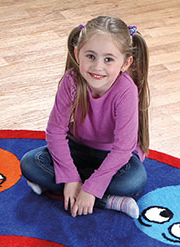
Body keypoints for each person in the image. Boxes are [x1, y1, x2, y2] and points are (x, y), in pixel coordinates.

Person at [20, 16, 150, 219]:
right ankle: (106, 199)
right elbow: (55, 132)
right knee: (31, 163)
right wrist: (71, 177)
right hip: (77, 150)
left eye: (108, 59)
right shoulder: (71, 82)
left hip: (113, 157)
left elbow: (123, 148)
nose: (98, 67)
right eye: (90, 56)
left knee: (133, 181)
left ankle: (75, 190)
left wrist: (92, 187)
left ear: (126, 63)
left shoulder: (126, 91)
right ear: (77, 54)